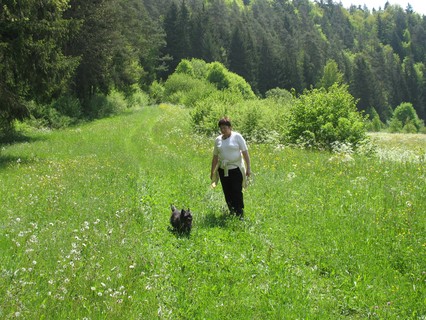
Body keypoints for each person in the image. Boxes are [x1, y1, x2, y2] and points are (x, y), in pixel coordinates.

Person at [210, 117, 251, 218]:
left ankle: (239, 212)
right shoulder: (218, 140)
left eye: (225, 127)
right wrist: (212, 171)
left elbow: (245, 153)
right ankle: (231, 211)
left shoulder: (237, 137)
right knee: (227, 191)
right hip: (223, 169)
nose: (223, 130)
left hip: (235, 169)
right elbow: (215, 156)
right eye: (221, 128)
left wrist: (248, 167)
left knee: (236, 191)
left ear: (230, 127)